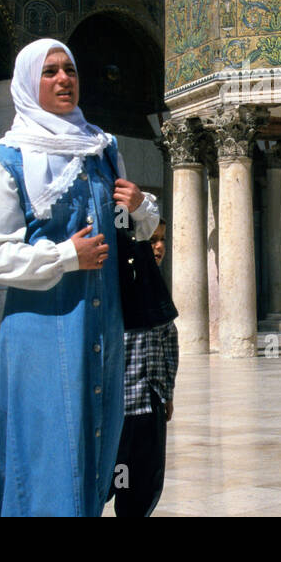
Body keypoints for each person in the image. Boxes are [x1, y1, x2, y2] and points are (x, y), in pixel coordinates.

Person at [0, 38, 159, 517]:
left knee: (94, 445)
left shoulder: (101, 147)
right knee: (46, 450)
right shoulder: (7, 156)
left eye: (69, 70)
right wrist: (63, 257)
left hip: (102, 330)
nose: (63, 79)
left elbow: (131, 230)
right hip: (40, 329)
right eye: (50, 72)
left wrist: (140, 207)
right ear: (29, 83)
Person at [109, 220, 178, 517]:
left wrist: (166, 393)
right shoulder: (117, 289)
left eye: (161, 239)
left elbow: (167, 347)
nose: (159, 247)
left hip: (149, 407)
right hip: (117, 410)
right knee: (108, 482)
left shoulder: (155, 286)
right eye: (151, 241)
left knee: (142, 488)